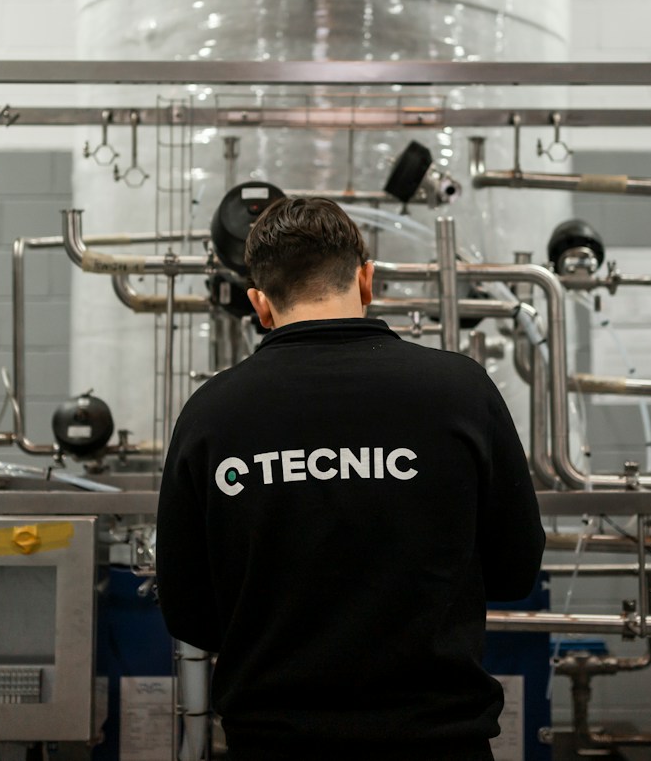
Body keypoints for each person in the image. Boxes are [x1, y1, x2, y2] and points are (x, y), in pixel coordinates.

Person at [156, 196, 546, 761]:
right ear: (367, 281)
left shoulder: (212, 414)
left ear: (260, 304)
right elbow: (515, 571)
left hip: (273, 744)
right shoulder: (460, 392)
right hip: (439, 744)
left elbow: (189, 611)